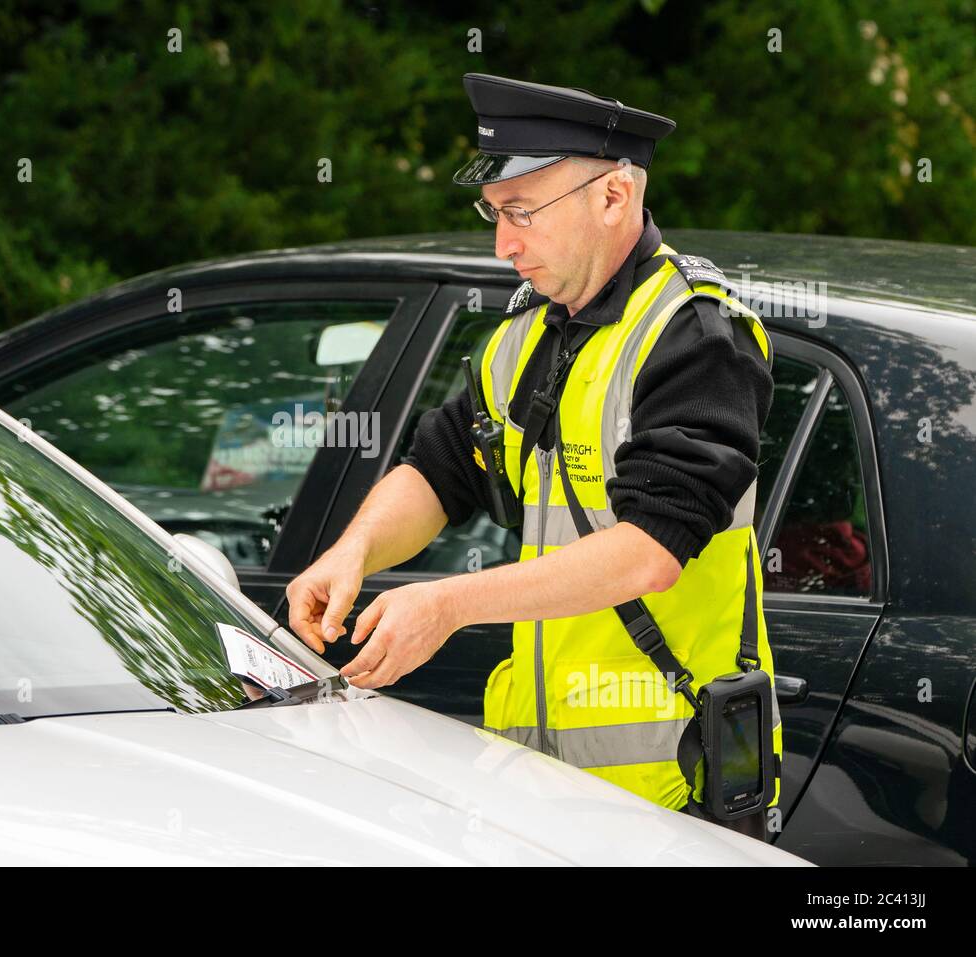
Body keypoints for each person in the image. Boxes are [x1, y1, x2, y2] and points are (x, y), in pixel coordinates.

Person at [285, 74, 783, 839]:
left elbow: (653, 550)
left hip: (673, 798)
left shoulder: (696, 335)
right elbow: (439, 469)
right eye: (493, 215)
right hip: (534, 793)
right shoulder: (525, 337)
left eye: (521, 213)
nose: (502, 244)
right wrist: (352, 550)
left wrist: (446, 606)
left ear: (613, 197)